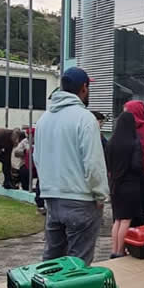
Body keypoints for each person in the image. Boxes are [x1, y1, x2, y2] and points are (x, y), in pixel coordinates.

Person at [34, 67, 108, 264]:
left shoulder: (44, 119)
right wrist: (100, 194)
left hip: (52, 198)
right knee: (78, 264)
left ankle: (45, 285)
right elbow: (93, 162)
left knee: (52, 261)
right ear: (84, 88)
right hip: (81, 200)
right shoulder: (85, 118)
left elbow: (37, 159)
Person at [107, 111, 144, 258]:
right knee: (126, 220)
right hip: (130, 185)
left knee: (117, 219)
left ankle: (114, 250)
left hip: (115, 184)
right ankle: (120, 251)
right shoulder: (134, 143)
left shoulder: (111, 142)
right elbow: (137, 165)